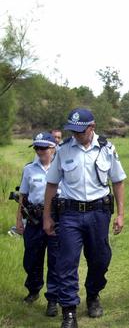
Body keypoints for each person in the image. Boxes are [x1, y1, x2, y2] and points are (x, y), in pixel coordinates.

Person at [42, 108, 127, 328]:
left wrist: (120, 214)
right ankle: (69, 311)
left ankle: (93, 295)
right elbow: (51, 185)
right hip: (70, 213)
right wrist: (47, 217)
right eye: (73, 131)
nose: (77, 135)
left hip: (99, 213)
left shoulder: (107, 148)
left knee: (100, 259)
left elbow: (117, 180)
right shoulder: (63, 150)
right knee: (67, 262)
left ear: (92, 127)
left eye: (81, 131)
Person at [17, 132, 61, 317]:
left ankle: (52, 299)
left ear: (53, 148)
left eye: (43, 147)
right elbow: (23, 197)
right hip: (34, 220)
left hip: (55, 219)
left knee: (55, 260)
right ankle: (34, 289)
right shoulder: (29, 169)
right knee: (31, 258)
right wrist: (19, 220)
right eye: (36, 147)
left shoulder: (62, 168)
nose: (39, 151)